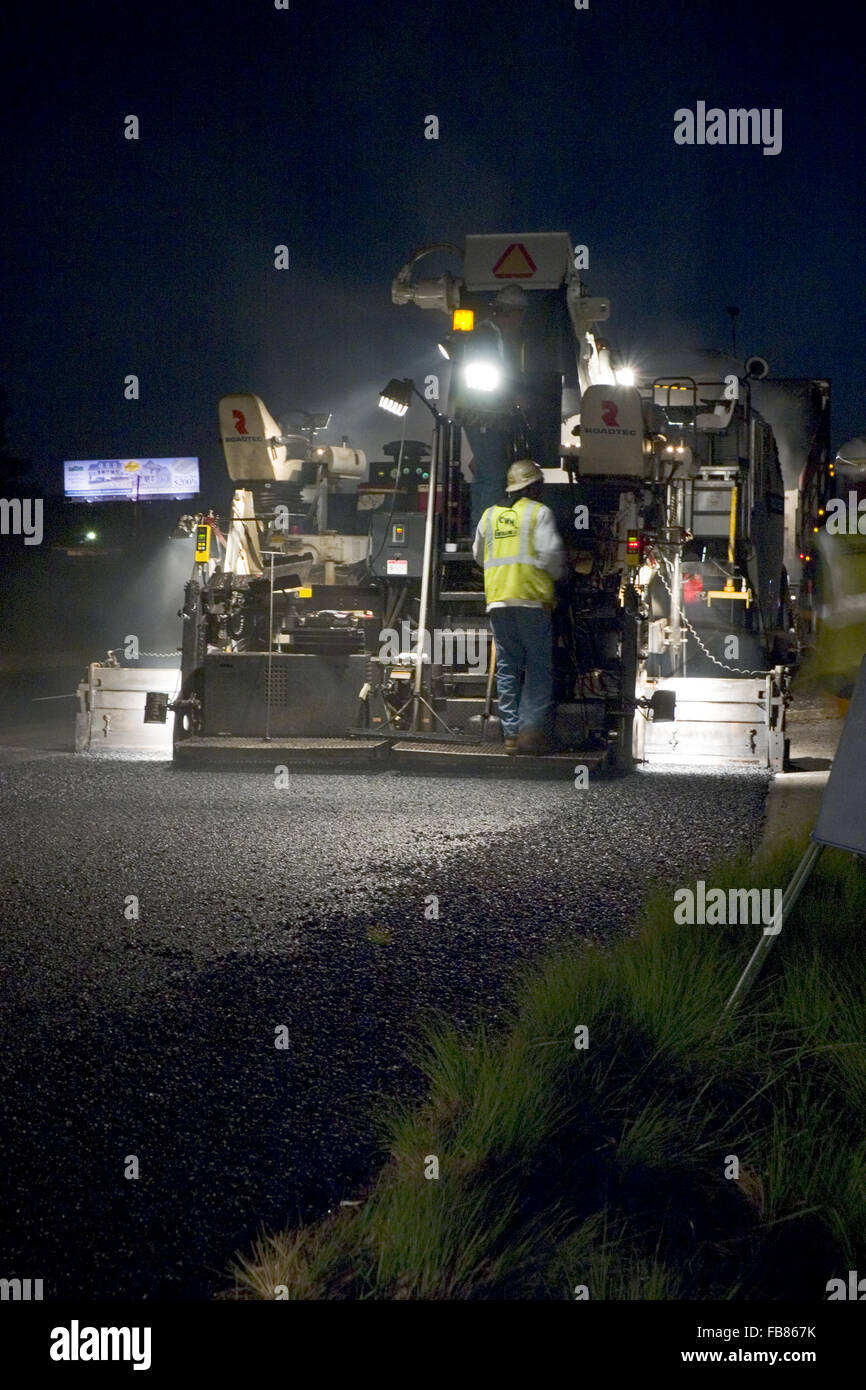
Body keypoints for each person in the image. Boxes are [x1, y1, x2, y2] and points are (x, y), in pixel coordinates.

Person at [472, 458, 565, 755]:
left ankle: (510, 734)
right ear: (534, 486)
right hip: (532, 600)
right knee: (538, 667)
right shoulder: (540, 513)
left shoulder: (489, 516)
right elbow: (551, 556)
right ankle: (530, 731)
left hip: (498, 600)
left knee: (508, 667)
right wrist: (561, 574)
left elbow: (478, 555)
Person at [464, 285, 529, 532]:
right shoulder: (486, 337)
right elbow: (489, 377)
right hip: (483, 414)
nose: (520, 321)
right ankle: (485, 536)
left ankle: (477, 533)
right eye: (519, 314)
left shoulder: (491, 335)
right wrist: (515, 396)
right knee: (494, 476)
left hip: (483, 415)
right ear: (509, 312)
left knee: (484, 475)